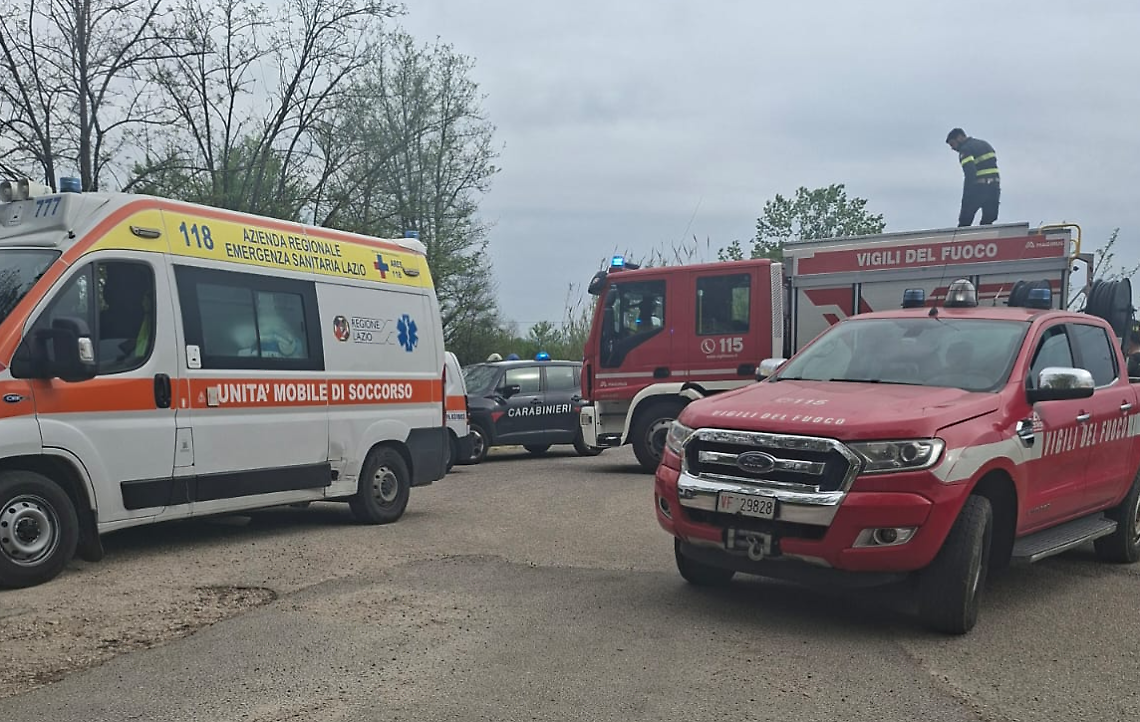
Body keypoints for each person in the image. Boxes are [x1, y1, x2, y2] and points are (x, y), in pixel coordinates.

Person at [946, 128, 1000, 227]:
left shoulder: (965, 149)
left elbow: (970, 174)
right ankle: (985, 235)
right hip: (994, 187)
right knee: (988, 220)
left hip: (978, 188)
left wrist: (966, 196)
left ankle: (962, 236)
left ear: (959, 138)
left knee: (965, 221)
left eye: (952, 144)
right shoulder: (985, 145)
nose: (953, 148)